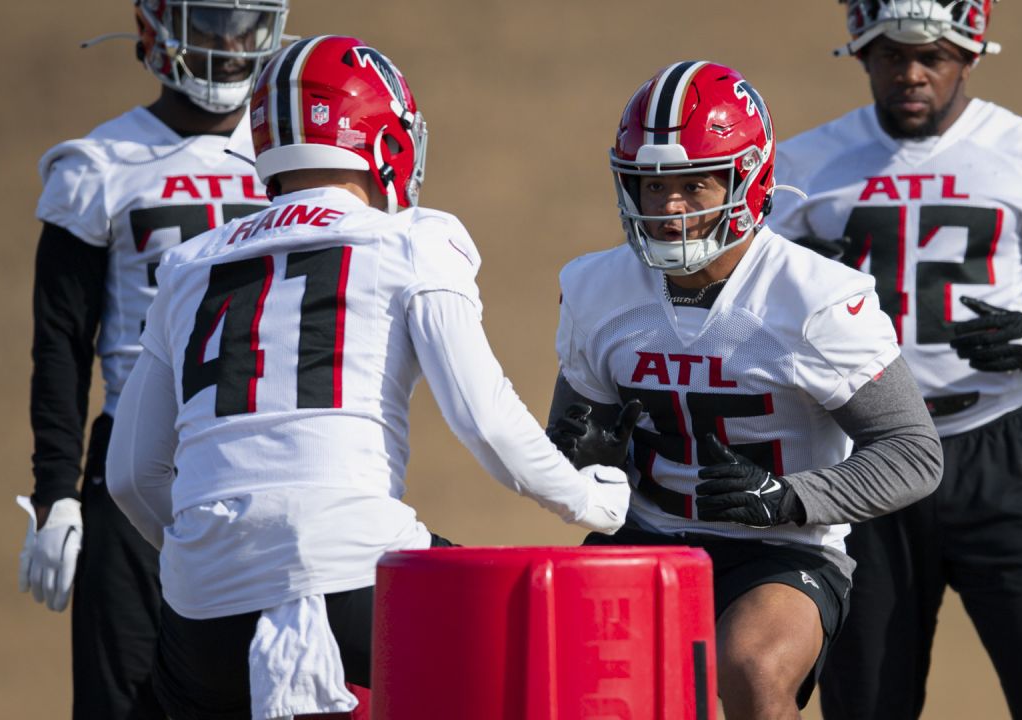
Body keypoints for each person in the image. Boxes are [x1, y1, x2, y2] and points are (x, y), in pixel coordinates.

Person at [104, 35, 632, 720]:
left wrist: (227, 550)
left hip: (204, 596)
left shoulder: (190, 264)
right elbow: (485, 420)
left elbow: (132, 476)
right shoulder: (412, 238)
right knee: (543, 670)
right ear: (387, 142)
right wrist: (587, 501)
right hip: (357, 568)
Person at [546, 60, 943, 719]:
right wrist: (582, 455)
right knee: (566, 673)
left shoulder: (812, 300)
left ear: (748, 180)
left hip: (782, 548)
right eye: (651, 185)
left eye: (693, 185)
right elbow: (575, 438)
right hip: (646, 532)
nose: (668, 208)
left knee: (752, 668)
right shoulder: (596, 288)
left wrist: (790, 498)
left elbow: (913, 450)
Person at [771, 2, 1022, 718]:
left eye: (932, 56)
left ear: (969, 56)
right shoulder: (804, 167)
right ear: (861, 56)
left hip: (1002, 447)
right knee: (866, 701)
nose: (911, 73)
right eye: (890, 55)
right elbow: (743, 300)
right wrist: (796, 283)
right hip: (867, 453)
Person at [16, 1, 289, 717]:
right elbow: (61, 339)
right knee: (126, 700)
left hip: (264, 460)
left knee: (269, 694)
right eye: (210, 24)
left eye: (246, 25)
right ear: (156, 26)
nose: (230, 48)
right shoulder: (102, 164)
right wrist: (56, 493)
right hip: (137, 460)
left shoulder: (290, 162)